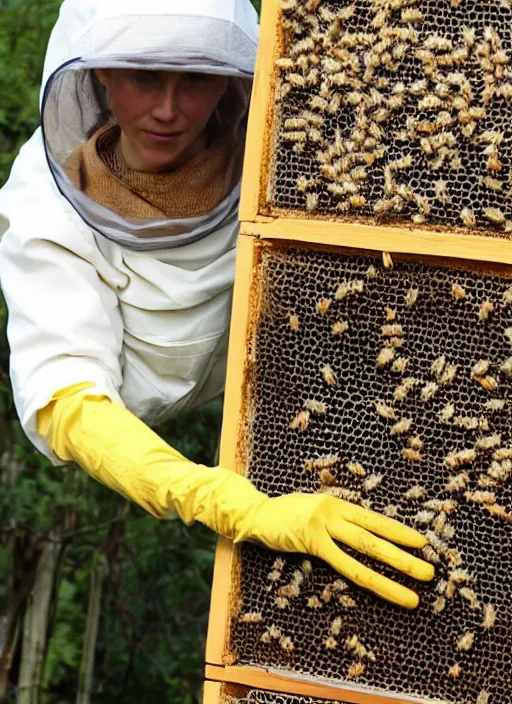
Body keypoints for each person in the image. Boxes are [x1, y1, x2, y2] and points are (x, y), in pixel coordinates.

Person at [0, 0, 434, 612]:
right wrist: (236, 505)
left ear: (228, 76)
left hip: (306, 371)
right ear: (99, 70)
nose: (169, 110)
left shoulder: (286, 151)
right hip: (135, 404)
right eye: (145, 76)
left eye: (196, 77)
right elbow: (67, 400)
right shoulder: (43, 202)